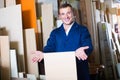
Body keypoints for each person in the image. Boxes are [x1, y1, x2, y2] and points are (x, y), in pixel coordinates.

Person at [32, 3, 93, 80]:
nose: (66, 16)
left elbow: (88, 46)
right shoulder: (55, 33)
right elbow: (49, 49)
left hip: (79, 72)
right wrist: (43, 55)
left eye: (68, 13)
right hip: (61, 71)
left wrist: (83, 51)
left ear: (73, 14)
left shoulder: (82, 30)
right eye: (63, 14)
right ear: (59, 16)